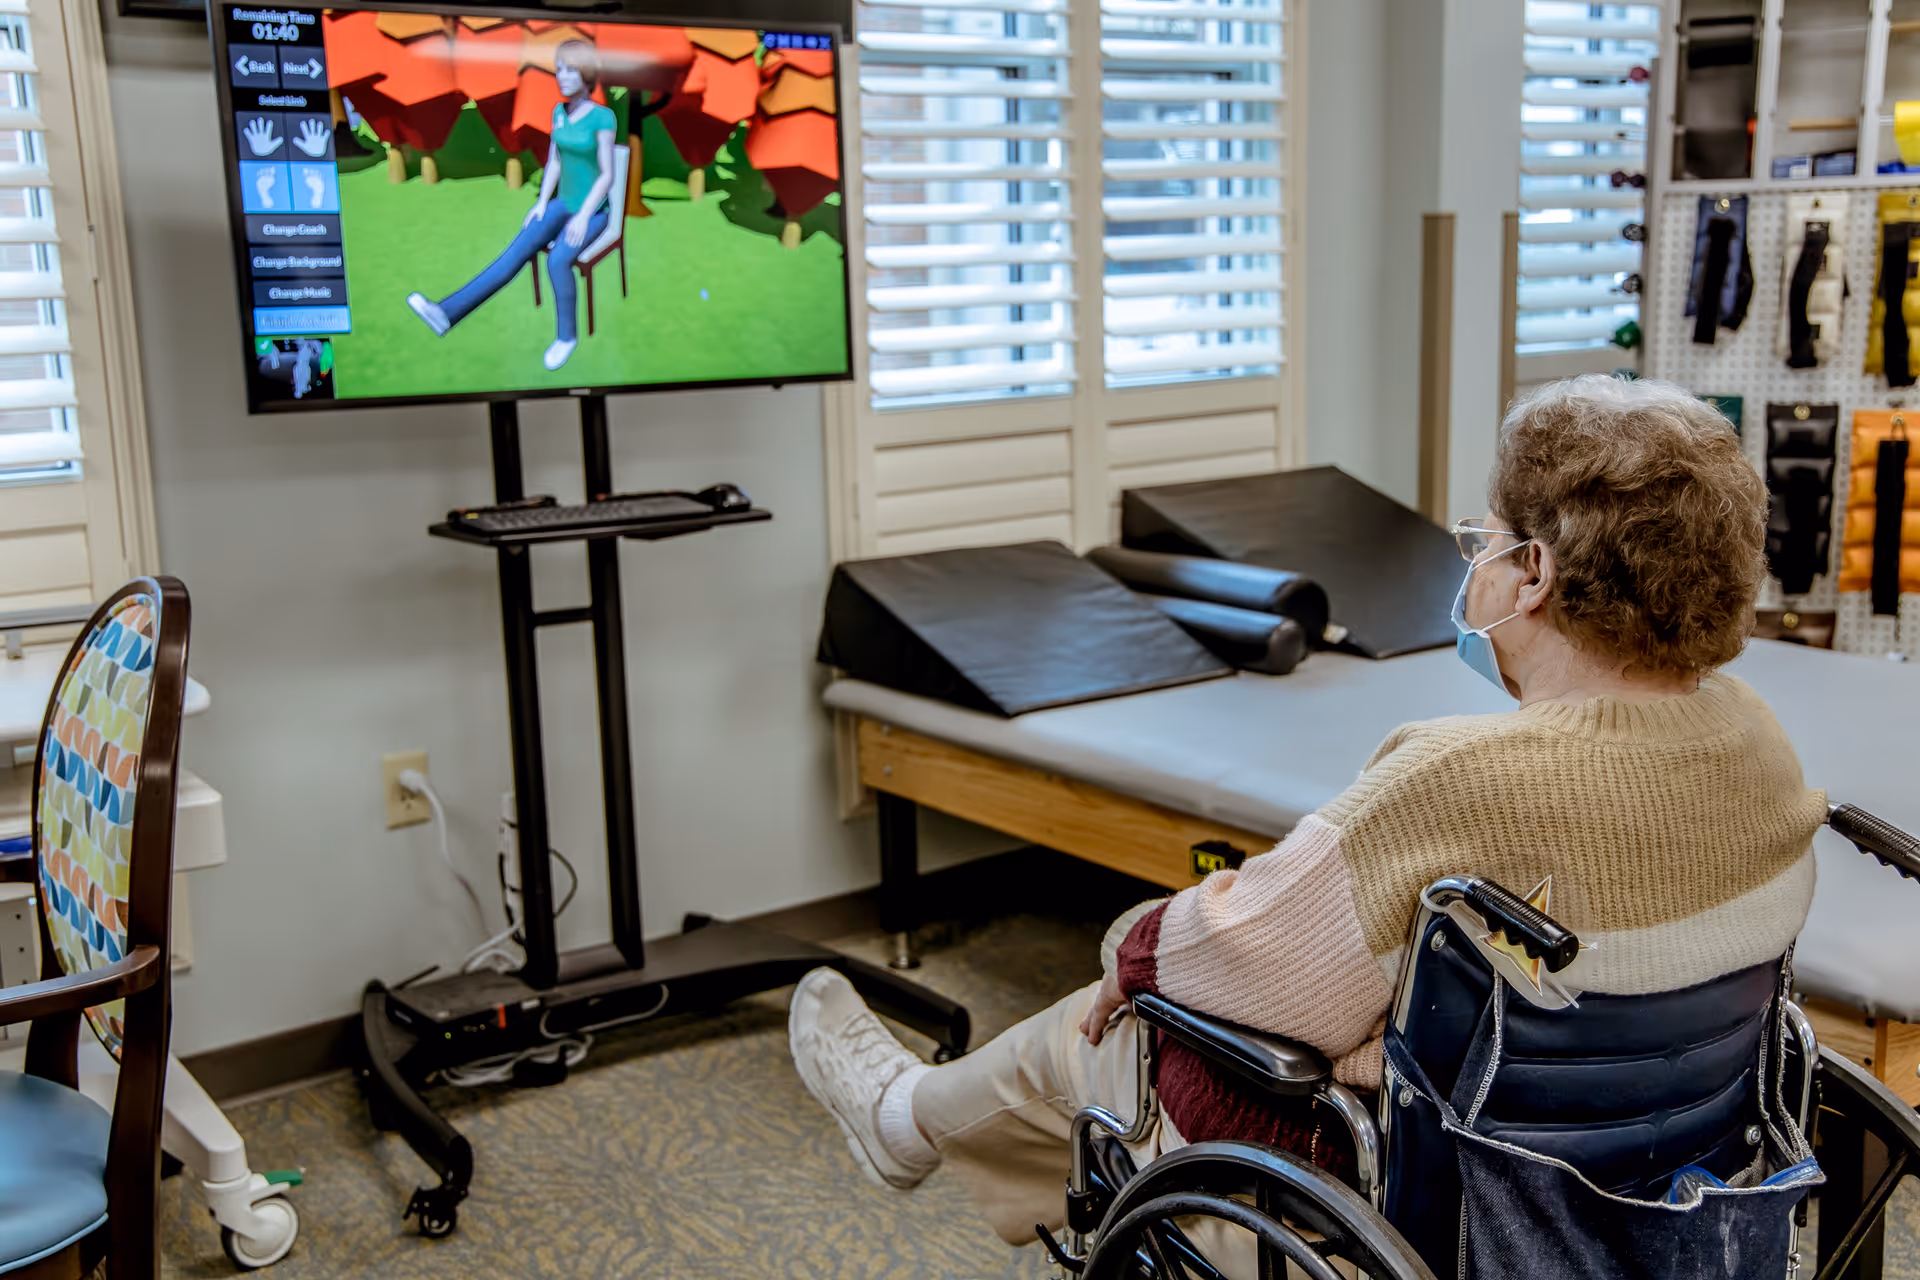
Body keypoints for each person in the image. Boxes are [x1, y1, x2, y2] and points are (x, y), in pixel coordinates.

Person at [787, 374, 1829, 1262]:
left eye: (1488, 539)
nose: (1478, 563)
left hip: (1446, 1209)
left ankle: (902, 1121)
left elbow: (1237, 962)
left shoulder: (1464, 776)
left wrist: (1135, 948)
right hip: (1673, 1188)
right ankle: (916, 1121)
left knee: (1108, 1005)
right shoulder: (1760, 737)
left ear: (1538, 574)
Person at [407, 41, 617, 372]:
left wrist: (584, 216)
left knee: (558, 261)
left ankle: (567, 337)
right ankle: (446, 313)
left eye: (570, 69)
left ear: (588, 75)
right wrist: (541, 204)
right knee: (514, 253)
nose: (561, 76)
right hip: (562, 203)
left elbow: (607, 175)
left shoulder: (603, 118)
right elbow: (555, 163)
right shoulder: (559, 113)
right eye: (559, 68)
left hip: (594, 213)